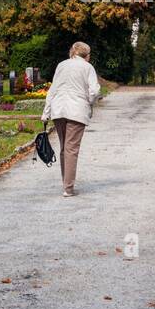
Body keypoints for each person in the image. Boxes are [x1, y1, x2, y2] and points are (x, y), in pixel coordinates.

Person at [41, 42, 100, 197]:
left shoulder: (61, 65)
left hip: (58, 109)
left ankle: (65, 183)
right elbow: (94, 90)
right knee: (71, 149)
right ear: (87, 55)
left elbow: (52, 89)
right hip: (77, 111)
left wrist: (45, 112)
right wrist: (88, 101)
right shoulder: (88, 68)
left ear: (72, 53)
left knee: (64, 148)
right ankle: (68, 188)